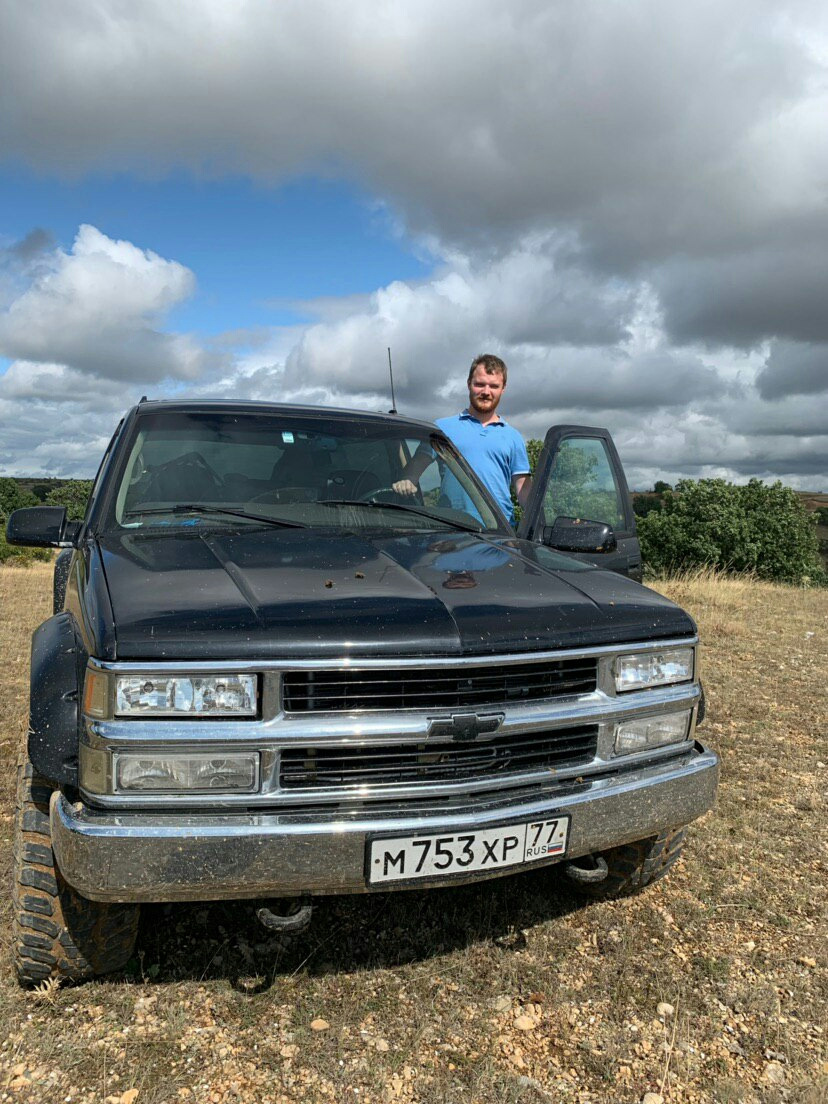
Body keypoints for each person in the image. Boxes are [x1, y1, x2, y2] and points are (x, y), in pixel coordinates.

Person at [393, 353, 532, 525]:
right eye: (479, 384)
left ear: (503, 388)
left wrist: (539, 523)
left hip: (500, 532)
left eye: (494, 386)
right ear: (469, 384)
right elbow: (414, 470)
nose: (486, 392)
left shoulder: (513, 437)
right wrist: (407, 481)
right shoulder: (441, 429)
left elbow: (523, 489)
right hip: (452, 530)